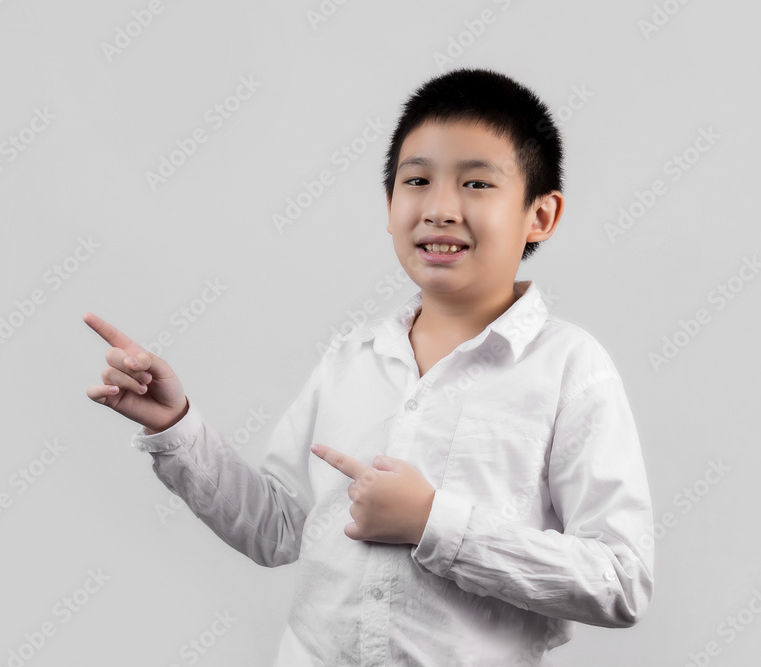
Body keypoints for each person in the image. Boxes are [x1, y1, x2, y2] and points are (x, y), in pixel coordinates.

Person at [83, 67, 653, 665]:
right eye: (417, 180)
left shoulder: (570, 369)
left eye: (477, 183)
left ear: (541, 215)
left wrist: (433, 523)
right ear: (389, 204)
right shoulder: (352, 358)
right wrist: (176, 424)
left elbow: (621, 580)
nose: (439, 208)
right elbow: (279, 529)